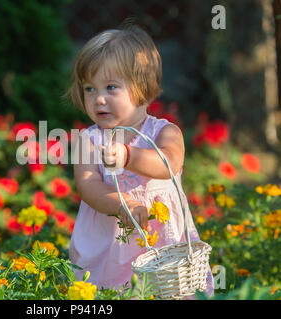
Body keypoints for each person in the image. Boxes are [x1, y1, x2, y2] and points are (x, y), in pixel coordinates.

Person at [65, 23, 214, 297]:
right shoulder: (89, 140)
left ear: (142, 87)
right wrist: (123, 205)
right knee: (109, 293)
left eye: (111, 87)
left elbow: (169, 164)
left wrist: (128, 155)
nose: (98, 99)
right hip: (109, 243)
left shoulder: (164, 132)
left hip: (163, 244)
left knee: (168, 291)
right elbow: (88, 186)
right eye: (89, 89)